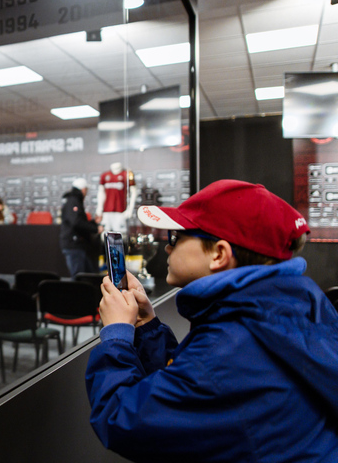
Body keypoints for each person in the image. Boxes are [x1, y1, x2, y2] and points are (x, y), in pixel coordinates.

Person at [85, 179, 338, 462]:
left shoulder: (230, 347)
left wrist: (116, 335)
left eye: (176, 238)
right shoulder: (292, 307)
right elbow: (194, 387)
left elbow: (122, 420)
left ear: (218, 254)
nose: (168, 248)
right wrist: (148, 328)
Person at [60, 178, 102, 276]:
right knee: (78, 277)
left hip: (76, 245)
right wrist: (95, 228)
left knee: (85, 276)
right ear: (83, 189)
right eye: (86, 190)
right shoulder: (73, 201)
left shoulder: (73, 200)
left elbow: (78, 221)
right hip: (74, 245)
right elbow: (76, 222)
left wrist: (93, 222)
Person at [95, 162, 136, 233]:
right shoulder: (105, 175)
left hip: (120, 211)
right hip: (106, 211)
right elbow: (101, 192)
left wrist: (130, 209)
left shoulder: (126, 174)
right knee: (105, 234)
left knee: (120, 235)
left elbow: (134, 192)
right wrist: (99, 208)